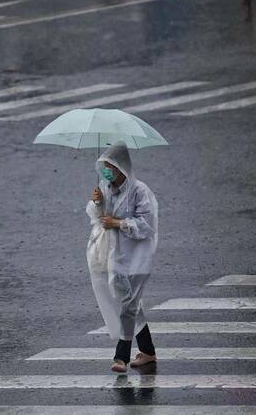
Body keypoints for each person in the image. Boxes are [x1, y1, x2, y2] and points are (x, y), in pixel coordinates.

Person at [85, 141, 159, 373]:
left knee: (128, 305)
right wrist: (98, 203)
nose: (106, 170)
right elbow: (99, 218)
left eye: (110, 166)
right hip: (113, 256)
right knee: (130, 304)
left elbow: (148, 225)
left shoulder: (140, 192)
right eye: (104, 166)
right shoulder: (105, 188)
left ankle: (121, 357)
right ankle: (147, 351)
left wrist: (119, 223)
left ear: (121, 167)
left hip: (137, 257)